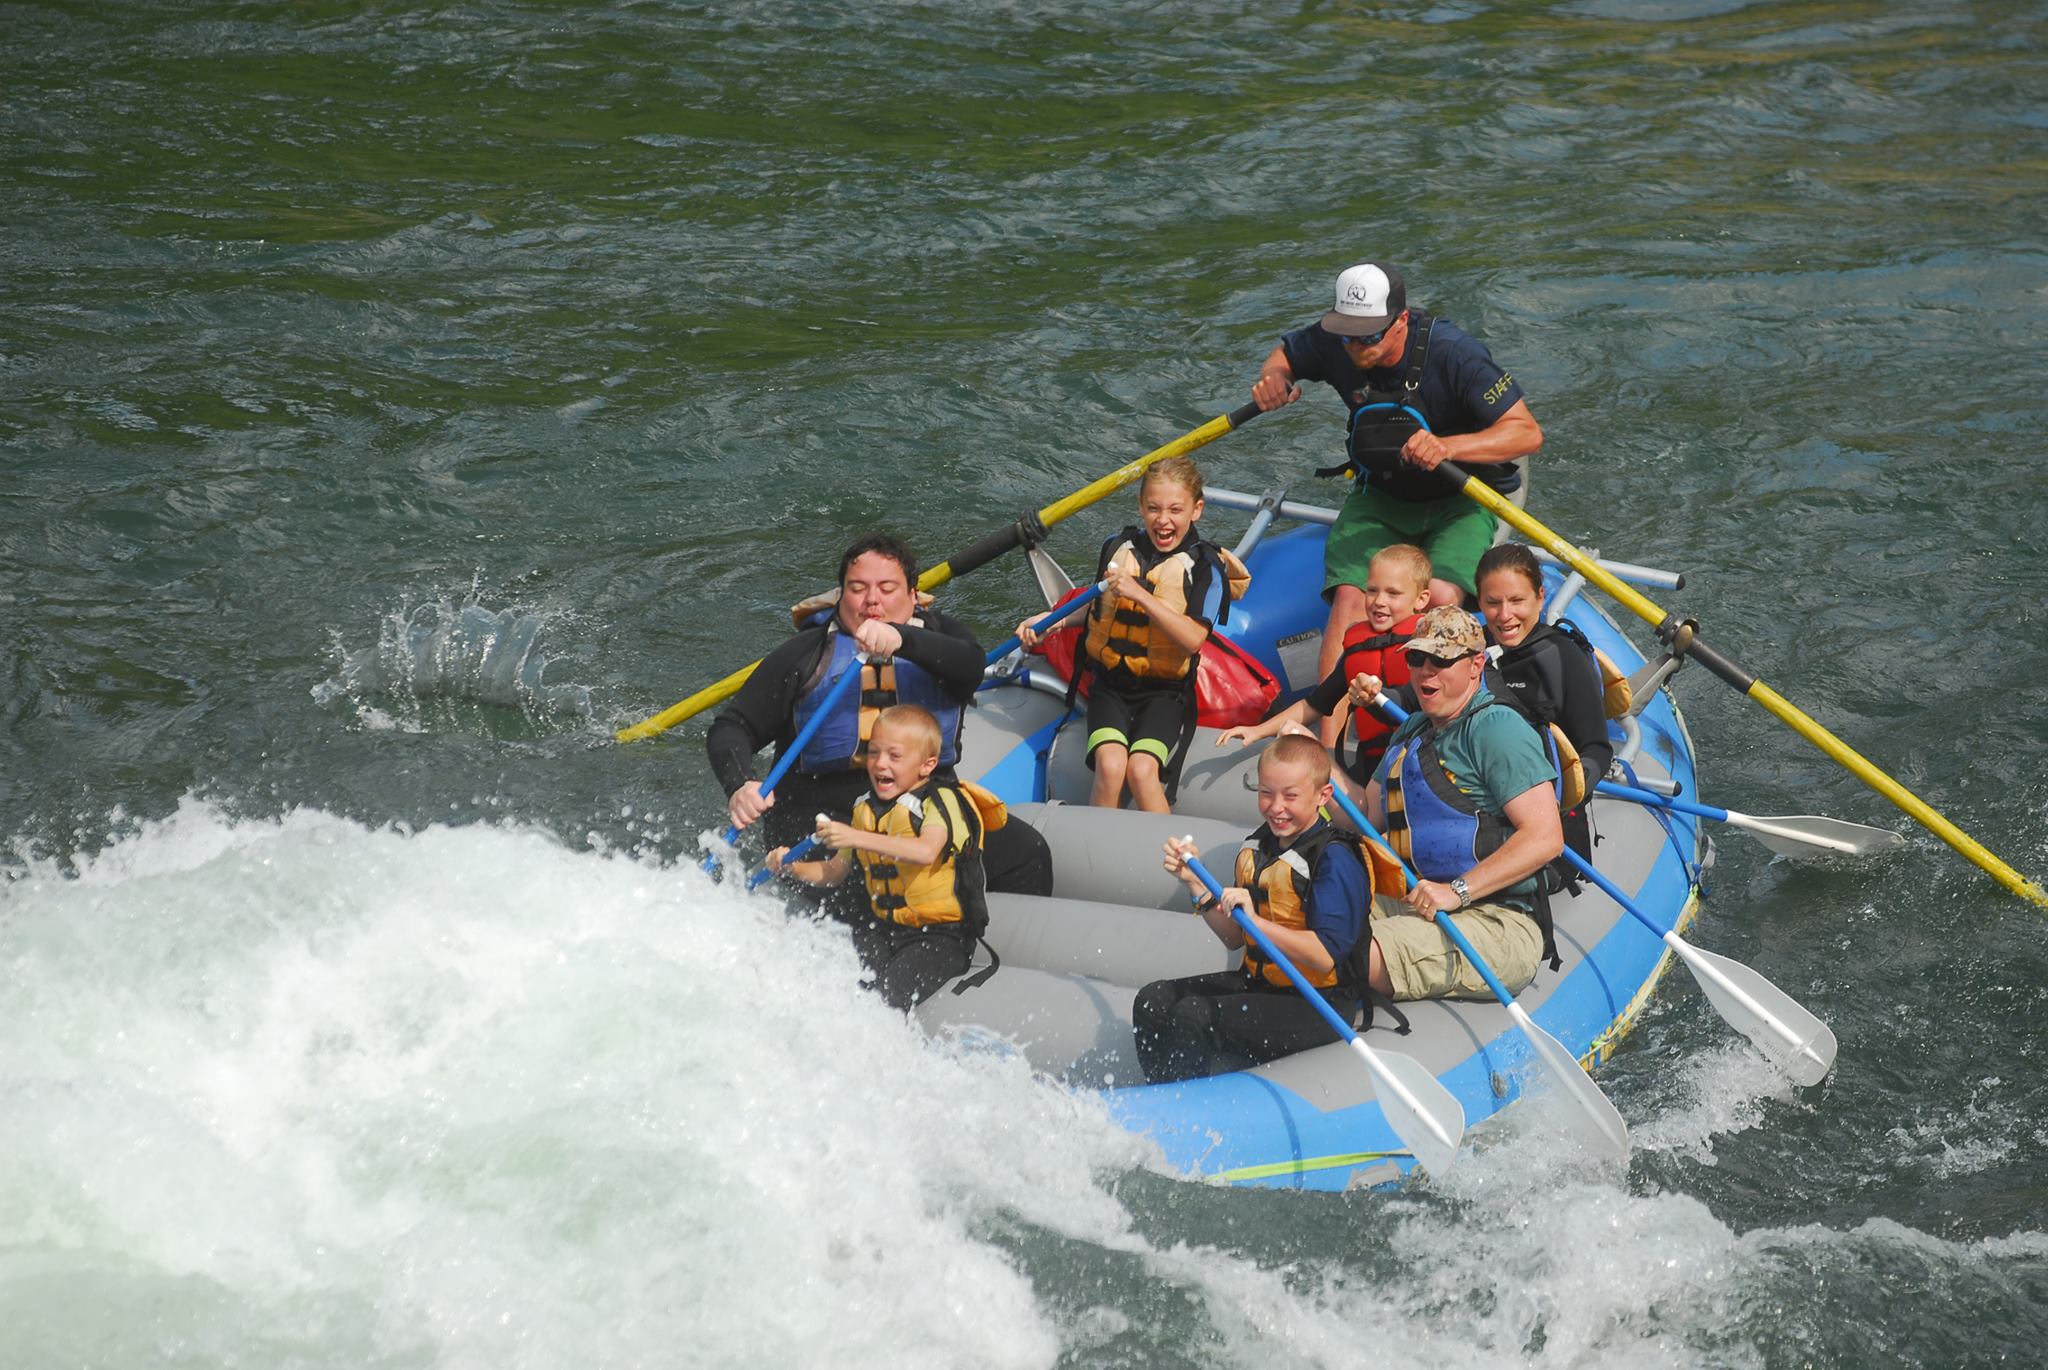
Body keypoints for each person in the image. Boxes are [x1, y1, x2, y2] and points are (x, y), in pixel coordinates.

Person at [1248, 262, 1543, 709]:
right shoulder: (1338, 339)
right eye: (1346, 335)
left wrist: (1446, 447)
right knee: (1351, 597)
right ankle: (1328, 741)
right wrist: (1275, 378)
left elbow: (1526, 433)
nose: (1353, 346)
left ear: (1401, 321)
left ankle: (1413, 715)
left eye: (1367, 336)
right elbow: (1288, 353)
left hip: (1462, 497)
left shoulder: (1456, 354)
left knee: (1441, 597)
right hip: (1383, 495)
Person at [707, 532, 1051, 911]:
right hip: (819, 812)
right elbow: (732, 726)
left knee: (1028, 854)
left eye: (887, 588)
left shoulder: (942, 640)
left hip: (922, 804)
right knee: (868, 877)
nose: (872, 600)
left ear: (913, 596)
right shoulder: (805, 654)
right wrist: (739, 784)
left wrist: (901, 639)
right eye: (857, 588)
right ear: (841, 597)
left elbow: (970, 667)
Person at [1133, 734, 1400, 1082]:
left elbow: (1323, 957)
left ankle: (1184, 1115)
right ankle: (1157, 1096)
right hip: (1260, 986)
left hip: (1319, 1003)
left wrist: (1258, 922)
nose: (1276, 807)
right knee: (1152, 999)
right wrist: (1195, 884)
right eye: (1266, 793)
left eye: (1290, 796)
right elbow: (1234, 938)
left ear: (1323, 796)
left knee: (1193, 1016)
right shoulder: (1260, 846)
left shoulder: (1335, 859)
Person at [1355, 605, 1565, 1002]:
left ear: (1475, 665)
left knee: (1348, 954)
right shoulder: (1412, 729)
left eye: (1443, 660)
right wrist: (1314, 775)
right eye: (1417, 658)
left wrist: (1457, 891)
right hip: (1417, 899)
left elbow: (1546, 837)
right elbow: (1367, 815)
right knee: (1307, 921)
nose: (1426, 671)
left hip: (1498, 919)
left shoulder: (1497, 729)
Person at [1014, 457, 1247, 812]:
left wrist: (1140, 594)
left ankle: (1163, 857)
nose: (1162, 520)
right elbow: (1097, 610)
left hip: (1164, 694)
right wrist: (1050, 621)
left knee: (1141, 770)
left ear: (1195, 510)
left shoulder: (1205, 568)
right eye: (1153, 508)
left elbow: (1194, 639)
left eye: (1174, 509)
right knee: (1110, 766)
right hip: (1110, 686)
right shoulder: (1117, 547)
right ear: (1140, 507)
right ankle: (1095, 856)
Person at [767, 706, 1001, 1010]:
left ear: (927, 765)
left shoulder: (943, 801)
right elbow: (834, 871)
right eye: (874, 753)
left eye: (894, 756)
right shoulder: (865, 810)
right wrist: (791, 867)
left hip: (943, 938)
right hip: (885, 930)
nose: (880, 764)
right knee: (832, 981)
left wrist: (854, 837)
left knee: (885, 999)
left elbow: (926, 851)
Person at [1215, 543, 1432, 786]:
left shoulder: (1427, 650)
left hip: (1421, 761)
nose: (1379, 601)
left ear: (1421, 599)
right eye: (1372, 590)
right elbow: (1315, 704)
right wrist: (1258, 730)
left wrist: (1378, 698)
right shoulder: (1358, 647)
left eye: (1393, 593)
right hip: (1373, 765)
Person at [1474, 543, 1622, 869]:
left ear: (1540, 597)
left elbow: (1598, 749)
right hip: (1473, 809)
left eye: (1517, 601)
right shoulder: (1466, 651)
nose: (1504, 614)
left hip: (1545, 821)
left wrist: (1565, 792)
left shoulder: (1563, 657)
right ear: (1479, 601)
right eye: (1492, 603)